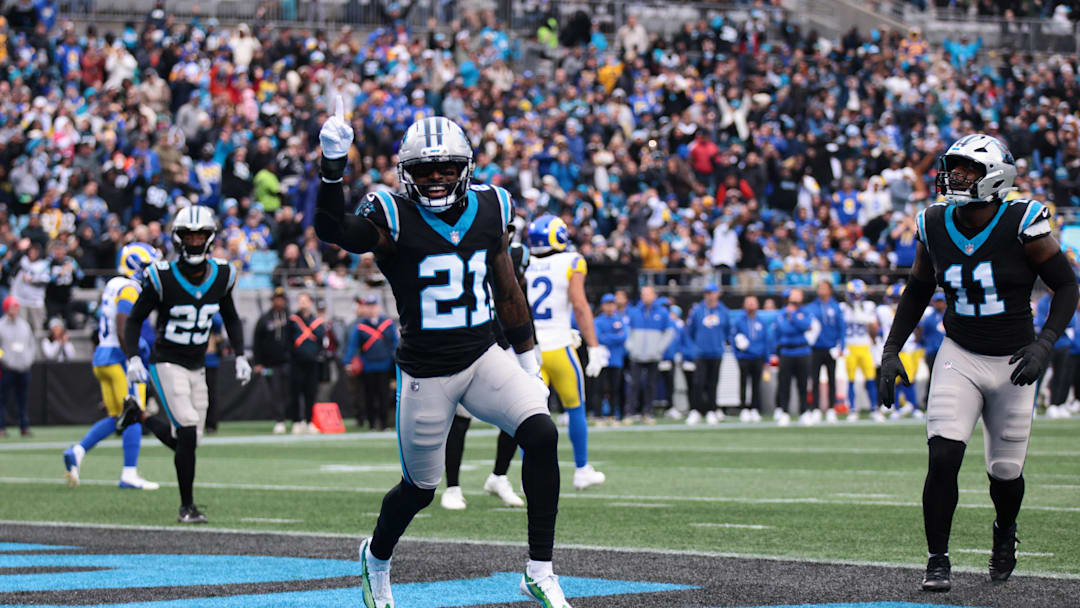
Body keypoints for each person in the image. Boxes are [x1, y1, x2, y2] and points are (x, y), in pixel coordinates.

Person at [314, 105, 568, 607]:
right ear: (406, 174)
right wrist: (331, 165)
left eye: (445, 168)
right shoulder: (391, 216)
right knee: (420, 489)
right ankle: (376, 557)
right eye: (425, 170)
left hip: (481, 356)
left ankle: (539, 570)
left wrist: (527, 357)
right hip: (426, 373)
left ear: (465, 168)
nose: (435, 179)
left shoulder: (493, 206)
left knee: (541, 434)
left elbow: (506, 282)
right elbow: (332, 230)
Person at [878, 134, 1078, 591]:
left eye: (966, 168)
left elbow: (1067, 286)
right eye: (954, 166)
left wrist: (1045, 342)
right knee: (943, 454)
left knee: (1005, 473)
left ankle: (1004, 531)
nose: (955, 176)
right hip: (960, 354)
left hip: (1014, 360)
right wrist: (891, 350)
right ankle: (937, 560)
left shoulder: (1024, 221)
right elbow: (917, 288)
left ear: (994, 175)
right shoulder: (933, 221)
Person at [118, 205, 252, 525]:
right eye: (188, 236)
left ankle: (137, 415)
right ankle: (186, 507)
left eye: (200, 235)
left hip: (198, 363)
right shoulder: (161, 276)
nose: (194, 242)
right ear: (178, 239)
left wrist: (242, 353)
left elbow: (231, 316)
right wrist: (133, 356)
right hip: (166, 361)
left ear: (210, 238)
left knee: (189, 441)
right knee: (188, 430)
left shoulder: (222, 274)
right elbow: (134, 320)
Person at [442, 237, 531, 511]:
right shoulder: (476, 256)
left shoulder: (513, 256)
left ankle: (499, 476)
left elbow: (519, 309)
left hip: (502, 346)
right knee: (459, 419)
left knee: (519, 413)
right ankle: (452, 487)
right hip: (468, 344)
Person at [63, 243, 159, 490]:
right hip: (118, 357)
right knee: (134, 414)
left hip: (102, 357)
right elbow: (123, 320)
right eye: (148, 266)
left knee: (118, 416)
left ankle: (78, 451)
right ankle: (129, 473)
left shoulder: (113, 284)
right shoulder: (129, 287)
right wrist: (133, 356)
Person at [525, 214, 608, 490]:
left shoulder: (522, 261)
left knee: (529, 416)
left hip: (529, 351)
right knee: (575, 408)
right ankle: (582, 469)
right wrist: (593, 345)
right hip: (559, 346)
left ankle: (530, 475)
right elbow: (580, 305)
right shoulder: (571, 261)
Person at [345, 295, 397, 431]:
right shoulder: (361, 326)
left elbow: (395, 345)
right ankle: (372, 424)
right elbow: (352, 345)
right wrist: (347, 361)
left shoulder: (388, 324)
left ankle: (385, 424)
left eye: (374, 306)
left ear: (378, 307)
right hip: (368, 366)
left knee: (384, 396)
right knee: (369, 396)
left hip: (385, 366)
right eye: (369, 306)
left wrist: (396, 363)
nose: (371, 309)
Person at [625, 286, 675, 423]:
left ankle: (648, 412)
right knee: (634, 384)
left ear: (654, 295)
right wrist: (631, 348)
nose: (645, 297)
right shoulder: (634, 312)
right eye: (643, 294)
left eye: (647, 294)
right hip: (637, 355)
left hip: (653, 355)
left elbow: (670, 332)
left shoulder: (662, 313)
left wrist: (659, 349)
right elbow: (627, 331)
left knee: (651, 385)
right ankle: (630, 412)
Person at [877, 282, 922, 418]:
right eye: (894, 298)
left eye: (898, 298)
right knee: (892, 380)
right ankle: (895, 408)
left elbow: (919, 328)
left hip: (906, 349)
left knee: (908, 379)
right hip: (891, 351)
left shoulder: (910, 309)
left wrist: (915, 342)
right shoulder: (882, 311)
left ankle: (913, 407)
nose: (896, 301)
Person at [686, 283, 729, 425]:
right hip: (701, 352)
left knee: (713, 382)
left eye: (712, 293)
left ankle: (712, 410)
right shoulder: (698, 310)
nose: (709, 296)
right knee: (698, 382)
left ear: (717, 294)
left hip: (716, 352)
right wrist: (697, 346)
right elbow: (690, 331)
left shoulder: (723, 311)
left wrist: (719, 344)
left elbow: (727, 330)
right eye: (707, 293)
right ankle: (696, 410)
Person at [840, 279, 880, 421]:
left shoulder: (869, 306)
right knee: (850, 380)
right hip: (850, 347)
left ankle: (875, 408)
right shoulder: (843, 307)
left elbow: (874, 327)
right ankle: (852, 409)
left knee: (870, 378)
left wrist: (868, 322)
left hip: (865, 346)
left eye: (858, 294)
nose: (856, 297)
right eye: (854, 294)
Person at [253, 287, 291, 434]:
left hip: (288, 362)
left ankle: (295, 419)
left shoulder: (291, 318)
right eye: (277, 298)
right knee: (275, 392)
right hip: (271, 364)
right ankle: (279, 420)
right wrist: (258, 362)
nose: (279, 301)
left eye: (282, 299)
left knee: (289, 392)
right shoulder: (264, 319)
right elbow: (257, 343)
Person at [773, 289, 814, 425]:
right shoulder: (782, 313)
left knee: (803, 384)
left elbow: (806, 325)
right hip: (786, 352)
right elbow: (784, 329)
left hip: (802, 351)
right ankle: (785, 412)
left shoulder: (805, 311)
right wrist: (795, 320)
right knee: (785, 384)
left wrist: (794, 317)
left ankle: (804, 412)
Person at [287, 292, 325, 434]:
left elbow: (321, 340)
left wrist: (316, 354)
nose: (303, 303)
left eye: (305, 300)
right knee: (296, 392)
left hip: (312, 362)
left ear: (310, 302)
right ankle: (297, 421)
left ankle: (309, 421)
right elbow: (288, 341)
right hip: (297, 362)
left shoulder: (317, 321)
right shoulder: (293, 320)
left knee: (311, 392)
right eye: (300, 300)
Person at [807, 280, 844, 423]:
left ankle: (831, 409)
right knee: (815, 379)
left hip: (831, 348)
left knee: (832, 379)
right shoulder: (811, 307)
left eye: (824, 287)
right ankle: (815, 408)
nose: (821, 290)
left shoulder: (836, 307)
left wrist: (842, 346)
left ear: (830, 290)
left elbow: (841, 328)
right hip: (815, 348)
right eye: (819, 287)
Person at [0, 296, 35, 437]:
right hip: (6, 368)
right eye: (12, 307)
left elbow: (31, 345)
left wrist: (28, 359)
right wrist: (5, 358)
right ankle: (1, 427)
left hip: (23, 368)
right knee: (3, 399)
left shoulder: (24, 325)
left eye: (16, 307)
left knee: (23, 399)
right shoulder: (1, 325)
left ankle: (24, 427)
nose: (14, 310)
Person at [1035, 291, 1072, 418]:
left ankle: (1055, 404)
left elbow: (1070, 321)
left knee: (1061, 376)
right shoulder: (1043, 302)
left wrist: (1053, 322)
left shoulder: (1065, 297)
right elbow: (1040, 322)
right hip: (1047, 344)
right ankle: (1032, 406)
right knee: (1039, 375)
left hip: (1062, 344)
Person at [731, 295, 767, 421]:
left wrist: (766, 359)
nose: (751, 305)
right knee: (743, 383)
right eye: (749, 303)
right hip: (744, 357)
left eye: (753, 303)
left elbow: (765, 340)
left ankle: (754, 408)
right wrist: (737, 355)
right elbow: (733, 339)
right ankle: (743, 408)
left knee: (756, 384)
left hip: (758, 357)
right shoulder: (739, 321)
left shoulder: (761, 321)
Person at [592, 293, 627, 423]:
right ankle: (598, 414)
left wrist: (608, 338)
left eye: (612, 304)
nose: (610, 307)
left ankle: (613, 414)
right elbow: (598, 337)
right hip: (601, 360)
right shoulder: (597, 321)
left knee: (615, 388)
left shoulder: (619, 320)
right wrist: (613, 337)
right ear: (602, 306)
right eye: (607, 304)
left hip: (616, 359)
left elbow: (623, 336)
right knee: (599, 388)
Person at [917, 292, 946, 408]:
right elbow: (921, 332)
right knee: (933, 377)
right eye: (937, 301)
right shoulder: (929, 318)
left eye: (941, 301)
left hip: (946, 352)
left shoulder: (948, 315)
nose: (939, 304)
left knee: (947, 377)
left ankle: (944, 401)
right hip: (932, 351)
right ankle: (928, 401)